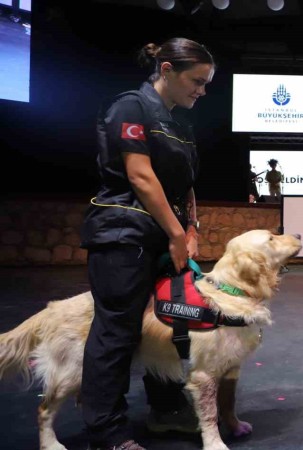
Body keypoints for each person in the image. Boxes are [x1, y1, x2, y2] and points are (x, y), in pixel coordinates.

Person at [79, 37, 215, 450]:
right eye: (197, 81)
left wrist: (190, 229)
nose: (202, 91)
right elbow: (140, 176)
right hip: (124, 235)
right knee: (117, 332)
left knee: (167, 325)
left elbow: (186, 185)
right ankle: (107, 431)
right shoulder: (130, 106)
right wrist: (176, 234)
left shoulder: (181, 122)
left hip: (165, 237)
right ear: (167, 70)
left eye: (206, 84)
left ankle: (166, 411)